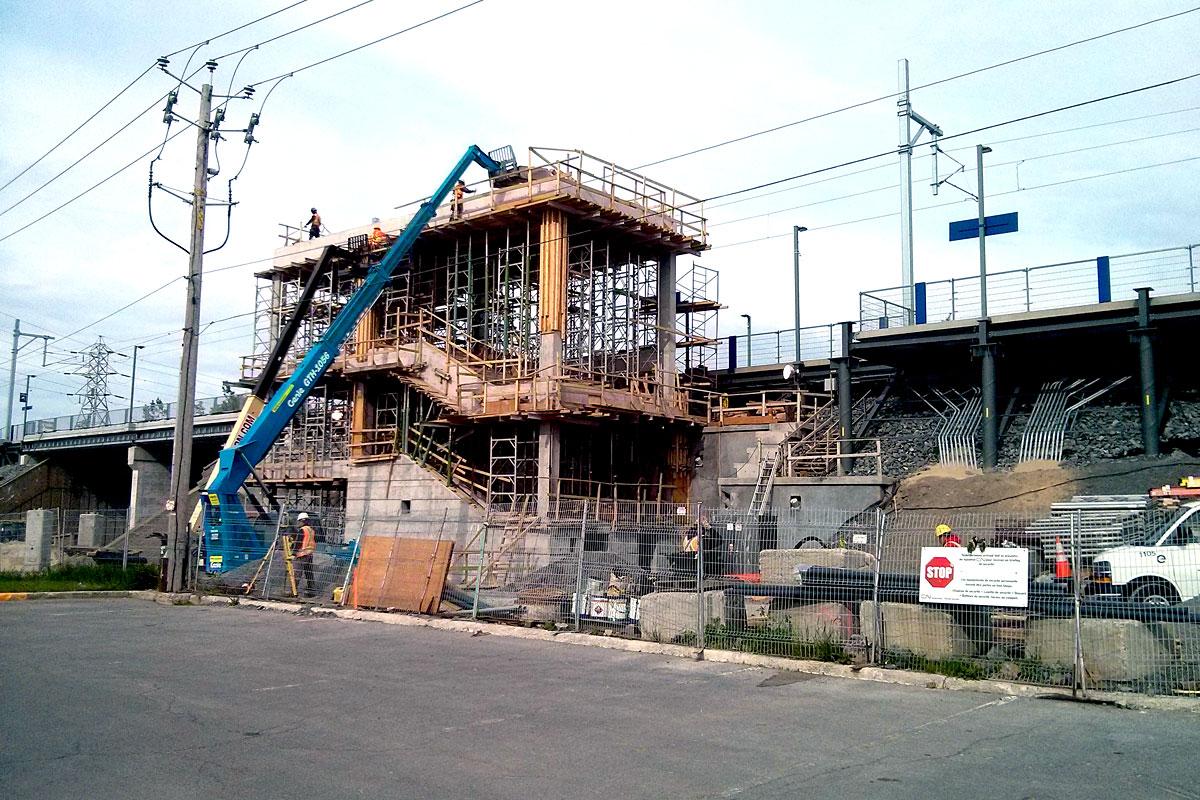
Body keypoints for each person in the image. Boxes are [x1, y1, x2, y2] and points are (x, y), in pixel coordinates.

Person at [293, 512, 317, 598]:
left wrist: (293, 553)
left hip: (302, 554)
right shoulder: (311, 530)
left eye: (298, 521)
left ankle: (293, 591)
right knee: (309, 574)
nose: (297, 523)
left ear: (302, 521)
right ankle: (312, 591)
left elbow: (298, 542)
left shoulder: (302, 530)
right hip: (309, 554)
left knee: (296, 573)